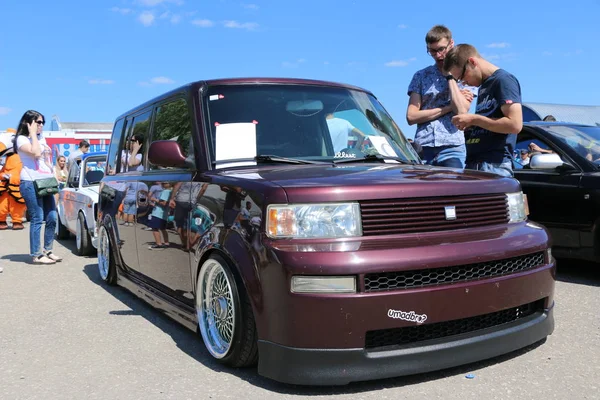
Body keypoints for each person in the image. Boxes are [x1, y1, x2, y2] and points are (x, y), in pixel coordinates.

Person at [445, 44, 523, 177]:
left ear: (472, 62)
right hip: (475, 163)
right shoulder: (483, 86)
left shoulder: (503, 81)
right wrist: (471, 126)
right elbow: (488, 122)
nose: (464, 83)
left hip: (494, 165)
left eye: (463, 77)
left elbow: (515, 124)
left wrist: (474, 119)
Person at [406, 25, 476, 168]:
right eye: (432, 51)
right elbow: (411, 117)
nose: (437, 55)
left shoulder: (466, 73)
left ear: (451, 44)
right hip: (423, 148)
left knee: (456, 190)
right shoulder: (420, 76)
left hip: (452, 147)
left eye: (441, 49)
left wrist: (449, 76)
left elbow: (461, 111)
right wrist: (449, 107)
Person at [13, 110, 62, 264]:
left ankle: (48, 250)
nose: (41, 125)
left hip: (46, 182)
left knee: (52, 217)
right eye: (37, 122)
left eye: (42, 122)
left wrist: (53, 172)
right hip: (30, 182)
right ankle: (36, 254)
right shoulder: (21, 139)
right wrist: (33, 134)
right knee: (37, 218)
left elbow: (46, 158)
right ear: (28, 123)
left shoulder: (42, 138)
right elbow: (35, 153)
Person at [0, 128, 26, 230]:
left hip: (16, 185)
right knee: (2, 203)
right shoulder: (5, 157)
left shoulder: (20, 156)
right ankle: (1, 220)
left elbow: (21, 170)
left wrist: (14, 177)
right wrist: (3, 176)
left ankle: (17, 220)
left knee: (17, 203)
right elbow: (1, 171)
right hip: (4, 186)